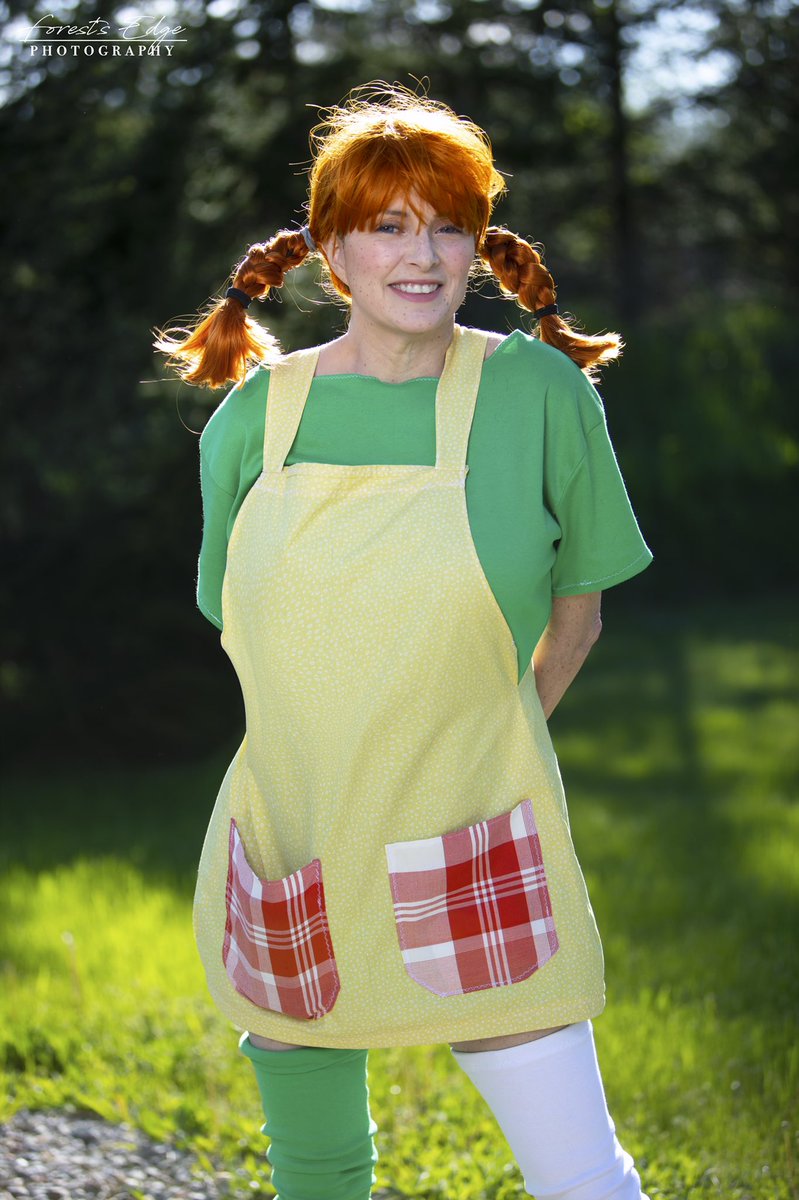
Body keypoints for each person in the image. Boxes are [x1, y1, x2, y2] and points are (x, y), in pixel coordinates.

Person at [154, 81, 653, 1200]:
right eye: (387, 226)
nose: (421, 256)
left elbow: (577, 616)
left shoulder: (538, 394)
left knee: (580, 1178)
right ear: (332, 249)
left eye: (448, 226)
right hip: (295, 831)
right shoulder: (256, 416)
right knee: (318, 1173)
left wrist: (477, 743)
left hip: (472, 830)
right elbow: (238, 621)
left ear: (479, 245)